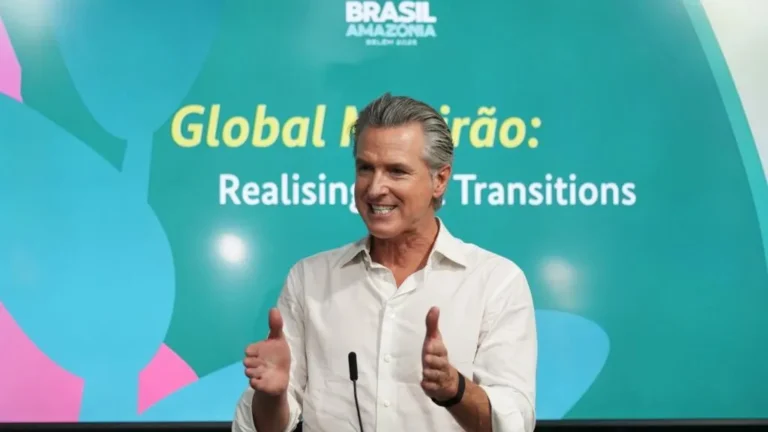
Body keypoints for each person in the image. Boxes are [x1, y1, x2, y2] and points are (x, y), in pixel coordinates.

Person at [232, 93, 537, 432]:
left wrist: (455, 390)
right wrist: (273, 396)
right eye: (365, 168)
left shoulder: (495, 282)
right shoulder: (310, 279)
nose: (375, 188)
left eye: (396, 171)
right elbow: (263, 426)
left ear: (439, 180)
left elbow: (514, 422)